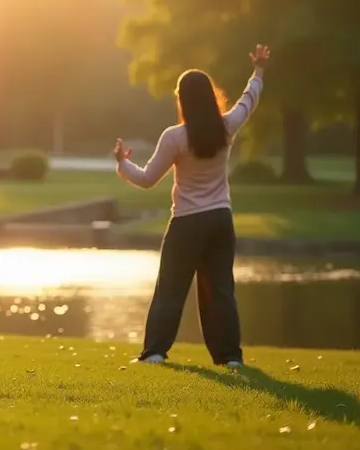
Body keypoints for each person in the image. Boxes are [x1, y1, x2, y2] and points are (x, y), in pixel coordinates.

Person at [113, 44, 271, 368]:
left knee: (171, 288)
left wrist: (121, 164)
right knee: (222, 291)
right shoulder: (226, 127)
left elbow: (146, 179)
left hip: (186, 222)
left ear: (182, 100)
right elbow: (248, 101)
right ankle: (230, 358)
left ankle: (155, 352)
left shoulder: (174, 137)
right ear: (210, 96)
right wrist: (258, 70)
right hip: (220, 220)